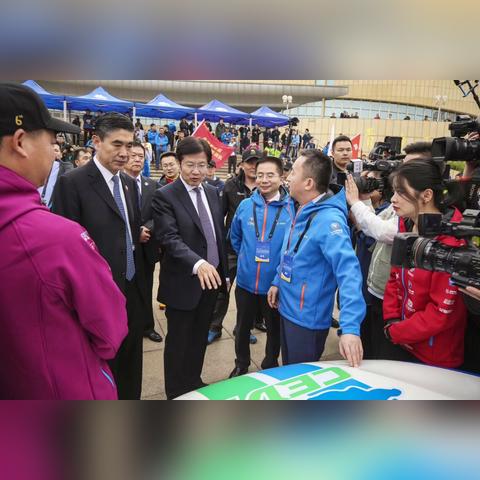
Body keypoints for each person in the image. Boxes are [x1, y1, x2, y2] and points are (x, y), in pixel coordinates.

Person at [0, 82, 127, 399]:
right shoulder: (55, 238)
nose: (55, 151)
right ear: (20, 142)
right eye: (52, 141)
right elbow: (109, 332)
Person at [52, 113, 147, 400]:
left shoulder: (127, 183)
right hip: (96, 295)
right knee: (105, 369)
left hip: (132, 288)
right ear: (96, 141)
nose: (124, 153)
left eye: (129, 145)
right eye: (117, 144)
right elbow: (64, 246)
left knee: (132, 363)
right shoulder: (73, 183)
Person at [267, 149, 365, 367]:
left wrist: (350, 327)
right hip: (287, 307)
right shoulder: (297, 206)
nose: (288, 176)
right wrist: (277, 281)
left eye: (293, 172)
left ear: (308, 183)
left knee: (300, 376)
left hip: (307, 320)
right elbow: (289, 252)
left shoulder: (329, 221)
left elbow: (349, 273)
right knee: (288, 369)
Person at [152, 137, 228, 399]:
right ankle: (175, 392)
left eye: (202, 165)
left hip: (211, 281)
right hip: (184, 282)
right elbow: (169, 238)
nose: (196, 171)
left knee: (198, 338)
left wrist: (222, 271)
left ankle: (194, 381)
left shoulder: (213, 192)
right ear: (179, 163)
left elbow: (216, 234)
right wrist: (198, 263)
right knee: (178, 342)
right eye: (190, 165)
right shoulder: (165, 196)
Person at [381, 159, 467, 368]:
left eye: (401, 192)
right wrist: (392, 320)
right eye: (394, 191)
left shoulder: (452, 242)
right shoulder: (407, 224)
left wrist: (397, 332)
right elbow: (394, 276)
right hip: (401, 339)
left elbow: (441, 313)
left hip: (434, 355)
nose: (393, 199)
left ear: (427, 195)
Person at [229, 156, 293, 377]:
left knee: (274, 328)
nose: (264, 180)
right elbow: (235, 238)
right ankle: (241, 363)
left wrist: (277, 277)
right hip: (246, 282)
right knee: (242, 327)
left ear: (281, 177)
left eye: (270, 175)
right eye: (260, 175)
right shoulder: (245, 205)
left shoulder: (291, 208)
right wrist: (247, 259)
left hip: (274, 285)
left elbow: (292, 249)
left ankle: (270, 362)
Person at [208, 148, 262, 344]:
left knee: (248, 293)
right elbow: (219, 216)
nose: (253, 166)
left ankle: (244, 328)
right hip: (231, 249)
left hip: (256, 251)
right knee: (223, 289)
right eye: (249, 162)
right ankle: (214, 327)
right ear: (242, 164)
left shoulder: (266, 186)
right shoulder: (230, 186)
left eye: (257, 163)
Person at [123, 142, 163, 343]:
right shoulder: (117, 184)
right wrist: (134, 232)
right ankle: (126, 327)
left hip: (147, 247)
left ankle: (148, 326)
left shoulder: (152, 185)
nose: (137, 159)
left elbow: (160, 213)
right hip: (123, 248)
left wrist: (147, 228)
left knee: (146, 288)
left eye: (141, 156)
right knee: (125, 289)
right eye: (133, 155)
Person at [38, 142, 73, 209]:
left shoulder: (66, 167)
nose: (53, 152)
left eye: (56, 150)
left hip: (52, 208)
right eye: (51, 150)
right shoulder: (36, 165)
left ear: (61, 155)